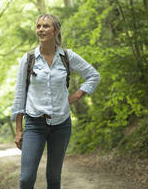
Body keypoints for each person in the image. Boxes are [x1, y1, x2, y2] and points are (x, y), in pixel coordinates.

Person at [11, 14, 100, 189]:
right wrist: (18, 129)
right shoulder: (28, 59)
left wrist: (75, 97)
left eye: (46, 26)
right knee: (26, 178)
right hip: (35, 124)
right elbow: (20, 95)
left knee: (53, 177)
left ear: (56, 30)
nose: (41, 29)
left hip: (61, 124)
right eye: (38, 26)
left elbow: (93, 76)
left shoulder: (68, 57)